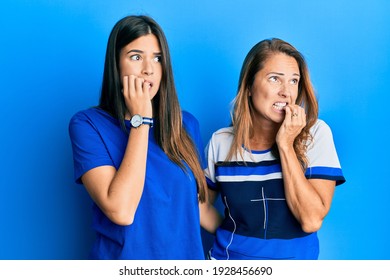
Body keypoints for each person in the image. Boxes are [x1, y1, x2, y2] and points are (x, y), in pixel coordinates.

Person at [68, 15, 220, 260]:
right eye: (136, 57)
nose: (149, 69)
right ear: (116, 64)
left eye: (157, 58)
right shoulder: (88, 125)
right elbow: (122, 211)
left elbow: (197, 206)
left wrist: (249, 241)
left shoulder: (186, 124)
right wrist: (141, 120)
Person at [204, 38, 346, 260]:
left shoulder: (316, 134)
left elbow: (310, 220)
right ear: (249, 86)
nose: (286, 92)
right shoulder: (221, 142)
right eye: (274, 79)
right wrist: (235, 236)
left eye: (293, 81)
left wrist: (286, 145)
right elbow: (199, 207)